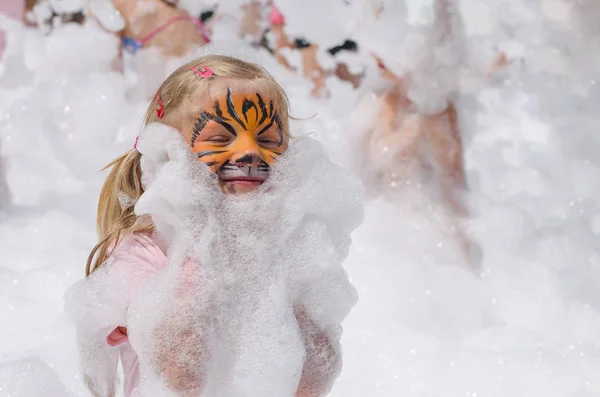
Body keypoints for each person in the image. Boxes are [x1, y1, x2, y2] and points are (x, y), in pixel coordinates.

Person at [65, 55, 351, 397]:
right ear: (168, 155)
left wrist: (300, 272)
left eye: (269, 139)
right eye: (219, 139)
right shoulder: (144, 258)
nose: (250, 153)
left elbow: (312, 383)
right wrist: (199, 244)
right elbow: (180, 379)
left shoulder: (283, 247)